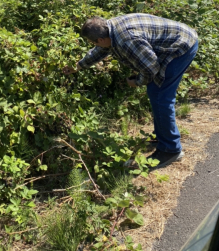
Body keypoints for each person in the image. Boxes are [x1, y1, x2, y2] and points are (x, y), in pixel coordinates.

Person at [63, 13, 198, 169]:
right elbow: (100, 50)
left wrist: (137, 82)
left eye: (93, 42)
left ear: (100, 39)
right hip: (174, 39)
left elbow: (151, 68)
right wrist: (79, 66)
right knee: (156, 92)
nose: (95, 45)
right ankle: (162, 138)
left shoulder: (126, 40)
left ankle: (171, 149)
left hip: (182, 46)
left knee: (160, 95)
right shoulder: (110, 29)